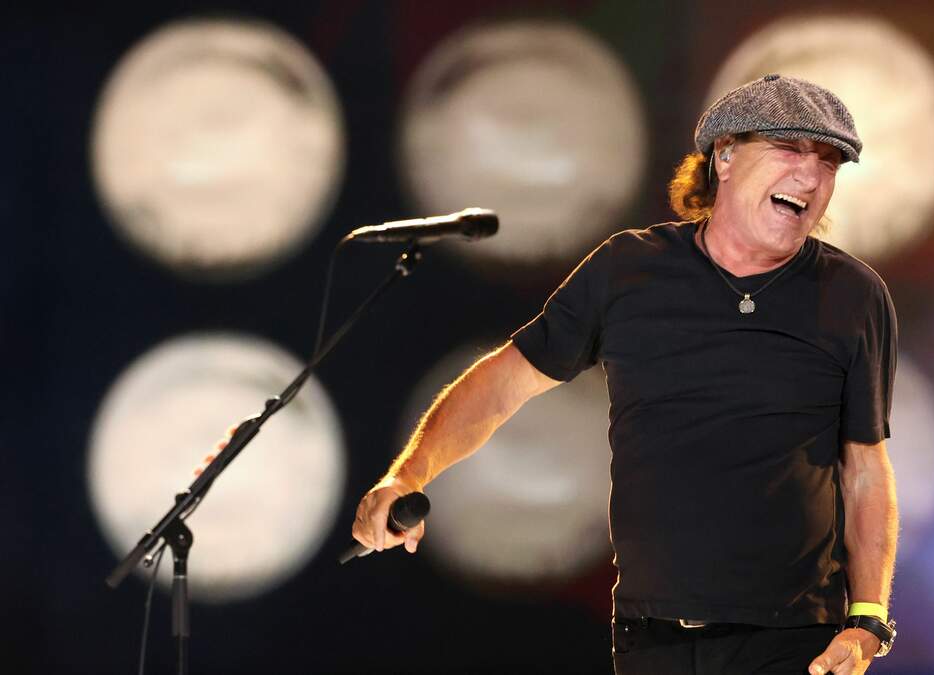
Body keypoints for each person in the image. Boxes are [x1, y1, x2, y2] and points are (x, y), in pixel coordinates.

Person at [352, 74, 899, 675]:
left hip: (796, 642)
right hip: (652, 639)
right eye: (790, 149)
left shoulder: (853, 296)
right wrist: (407, 474)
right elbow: (503, 383)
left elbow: (865, 468)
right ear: (723, 156)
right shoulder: (628, 271)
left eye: (829, 163)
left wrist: (868, 620)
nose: (811, 176)